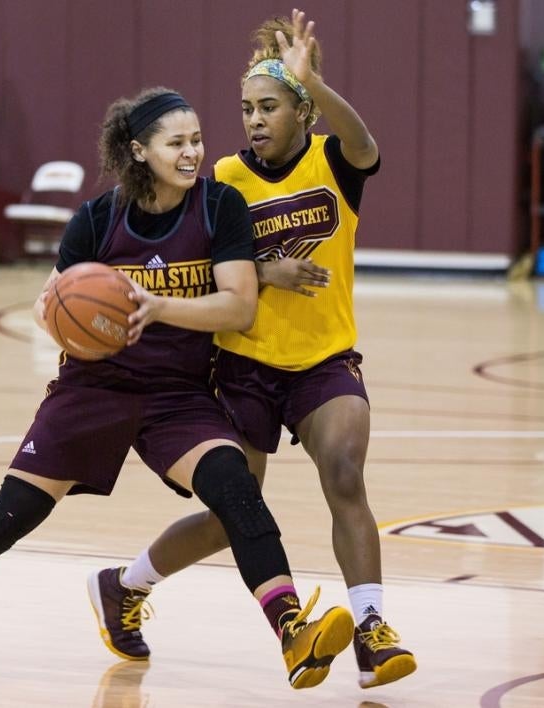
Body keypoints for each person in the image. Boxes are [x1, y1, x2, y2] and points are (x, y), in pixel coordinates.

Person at [0, 87, 354, 691]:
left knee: (235, 486)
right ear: (139, 151)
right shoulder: (97, 219)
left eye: (196, 141)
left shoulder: (220, 207)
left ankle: (292, 630)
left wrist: (157, 307)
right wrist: (83, 321)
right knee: (11, 514)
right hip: (94, 385)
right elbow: (44, 304)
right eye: (176, 143)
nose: (192, 153)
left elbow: (239, 307)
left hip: (177, 393)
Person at [89, 11, 417, 690]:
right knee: (230, 518)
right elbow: (191, 261)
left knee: (347, 472)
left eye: (269, 106)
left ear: (302, 110)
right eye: (246, 109)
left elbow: (366, 143)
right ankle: (124, 585)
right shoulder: (226, 179)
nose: (255, 120)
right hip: (242, 364)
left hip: (325, 361)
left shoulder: (333, 160)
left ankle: (372, 631)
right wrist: (265, 272)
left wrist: (313, 81)